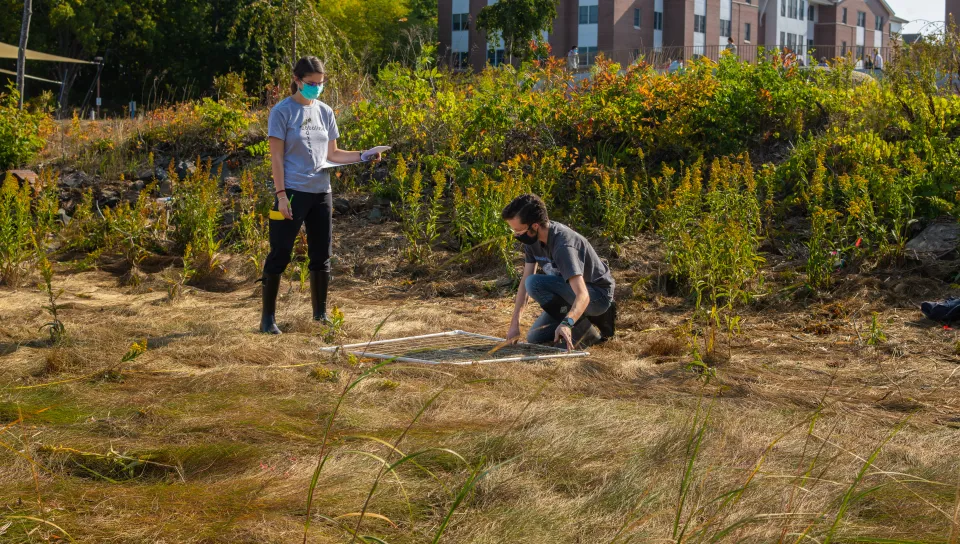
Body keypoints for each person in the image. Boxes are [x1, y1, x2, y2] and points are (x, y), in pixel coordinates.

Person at [260, 56, 384, 334]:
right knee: (280, 252)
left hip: (321, 193)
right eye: (311, 83)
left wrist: (364, 155)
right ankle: (268, 319)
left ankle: (320, 315)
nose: (316, 88)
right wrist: (281, 195)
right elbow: (277, 159)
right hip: (291, 191)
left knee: (321, 254)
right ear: (296, 80)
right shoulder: (282, 112)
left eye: (320, 83)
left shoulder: (325, 111)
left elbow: (333, 154)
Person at [502, 194, 616, 350]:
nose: (516, 235)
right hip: (568, 293)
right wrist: (514, 323)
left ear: (534, 226)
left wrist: (566, 323)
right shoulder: (532, 240)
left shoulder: (563, 246)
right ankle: (581, 322)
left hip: (596, 296)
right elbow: (523, 283)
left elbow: (583, 295)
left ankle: (587, 329)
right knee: (535, 337)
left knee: (534, 283)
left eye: (518, 230)